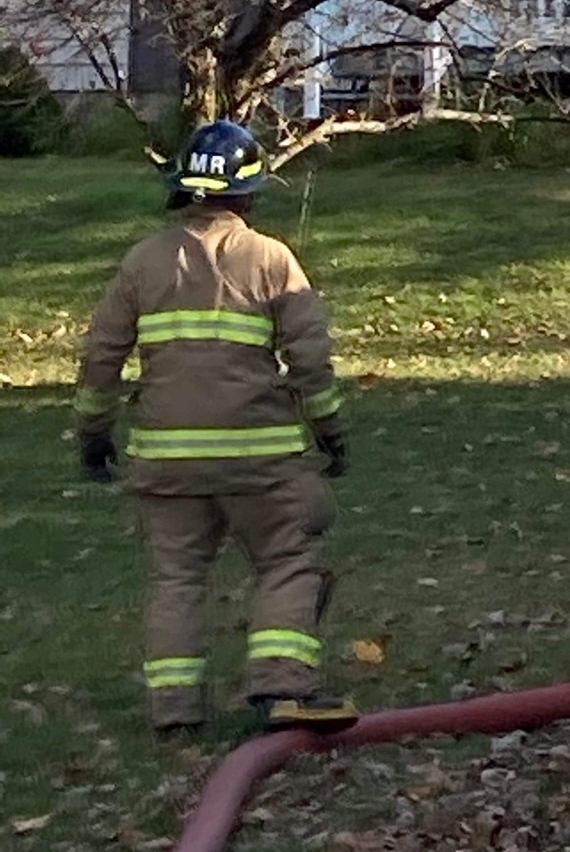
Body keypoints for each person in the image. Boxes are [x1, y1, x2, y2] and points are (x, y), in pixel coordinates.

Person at [74, 119, 359, 735]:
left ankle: (174, 714)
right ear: (248, 193)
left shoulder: (143, 261)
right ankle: (283, 687)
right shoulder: (272, 259)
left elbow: (101, 357)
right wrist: (330, 431)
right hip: (263, 460)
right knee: (289, 560)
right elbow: (310, 361)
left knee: (176, 578)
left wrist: (93, 435)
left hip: (166, 464)